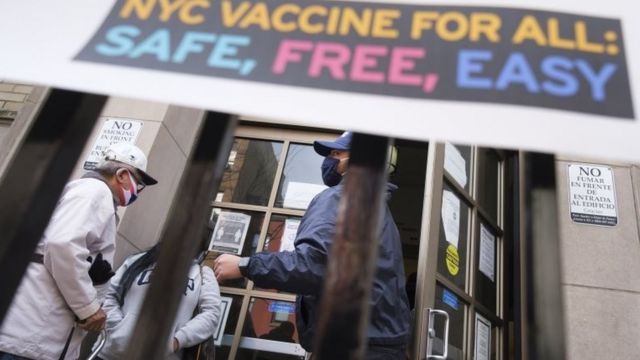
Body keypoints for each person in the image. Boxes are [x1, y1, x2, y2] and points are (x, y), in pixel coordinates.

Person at [214, 132, 411, 359]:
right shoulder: (378, 209)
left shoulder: (340, 198)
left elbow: (314, 265)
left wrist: (245, 265)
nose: (329, 159)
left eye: (337, 153)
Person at [0, 142, 158, 360]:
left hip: (35, 337)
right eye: (138, 183)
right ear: (121, 174)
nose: (137, 191)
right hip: (31, 337)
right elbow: (62, 244)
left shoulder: (91, 194)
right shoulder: (94, 191)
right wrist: (89, 308)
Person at [95, 244, 222, 360]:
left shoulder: (202, 273)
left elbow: (211, 314)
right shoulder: (139, 260)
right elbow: (110, 293)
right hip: (111, 353)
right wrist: (117, 328)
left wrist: (177, 341)